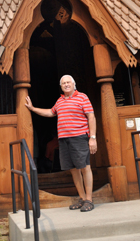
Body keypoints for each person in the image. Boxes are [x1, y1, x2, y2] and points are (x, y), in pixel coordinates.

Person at [25, 74, 97, 212]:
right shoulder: (60, 101)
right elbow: (50, 113)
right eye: (63, 83)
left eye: (68, 82)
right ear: (61, 86)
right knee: (73, 169)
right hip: (64, 140)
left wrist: (92, 137)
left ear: (74, 84)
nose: (66, 85)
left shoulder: (82, 97)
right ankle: (82, 199)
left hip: (80, 138)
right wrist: (33, 108)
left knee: (85, 167)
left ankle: (89, 200)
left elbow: (91, 117)